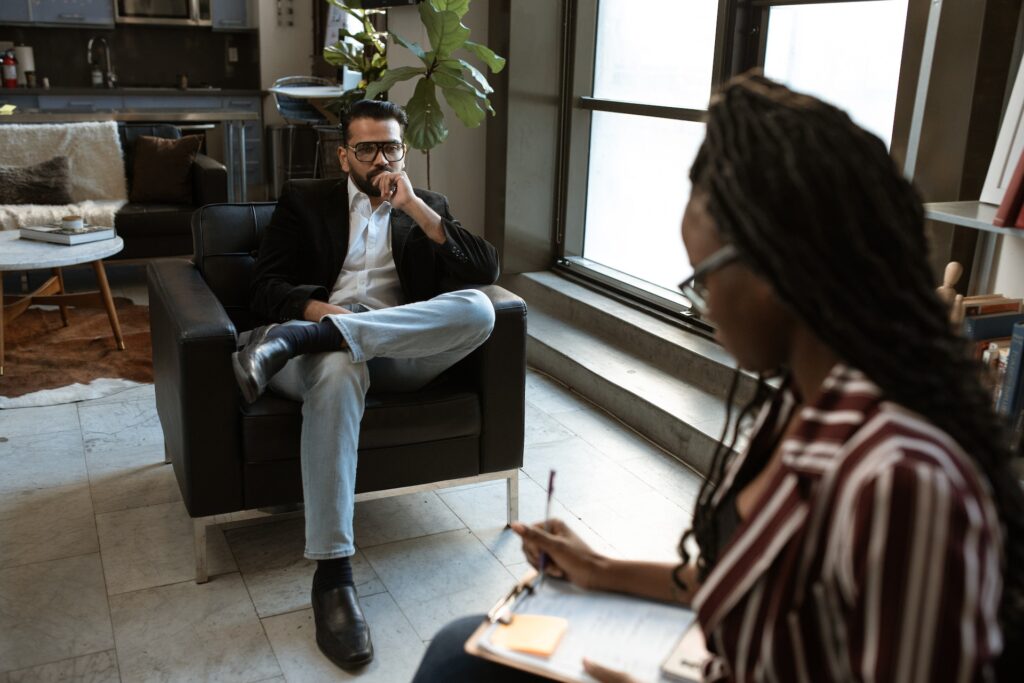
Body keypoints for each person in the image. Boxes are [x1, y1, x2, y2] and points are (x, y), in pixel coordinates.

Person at [412, 73, 1024, 682]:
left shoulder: (900, 484)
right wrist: (602, 569)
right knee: (461, 650)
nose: (698, 306)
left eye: (701, 278)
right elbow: (755, 585)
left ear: (775, 267)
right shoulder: (798, 404)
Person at [233, 99, 500, 670]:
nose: (381, 158)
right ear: (343, 155)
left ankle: (328, 335)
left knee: (479, 310)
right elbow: (264, 287)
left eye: (392, 147)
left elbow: (484, 270)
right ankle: (334, 577)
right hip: (315, 358)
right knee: (337, 364)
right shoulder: (305, 201)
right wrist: (321, 314)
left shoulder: (426, 208)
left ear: (405, 151)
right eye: (367, 148)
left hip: (395, 354)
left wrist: (420, 210)